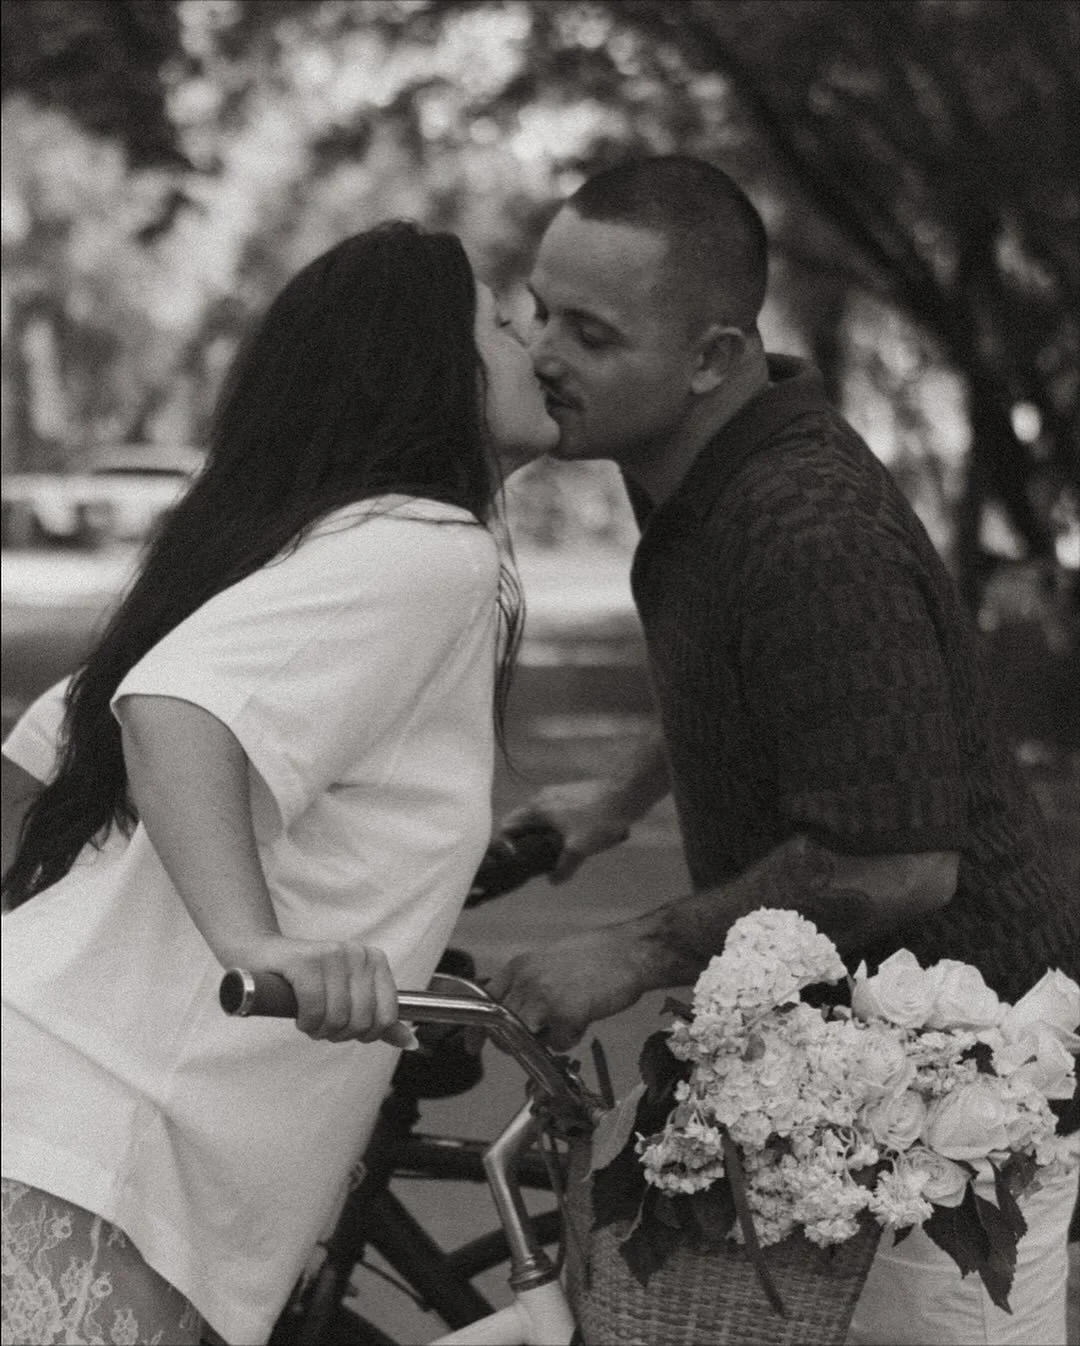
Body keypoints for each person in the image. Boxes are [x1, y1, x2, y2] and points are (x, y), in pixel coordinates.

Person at [486, 156, 1079, 1345]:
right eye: (539, 311)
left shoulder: (803, 525)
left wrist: (634, 946)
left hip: (956, 1119)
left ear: (711, 357)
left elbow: (901, 863)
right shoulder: (704, 472)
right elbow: (779, 673)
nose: (545, 353)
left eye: (592, 333)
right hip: (845, 1096)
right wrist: (627, 785)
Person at [1, 220, 558, 1346]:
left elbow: (52, 747)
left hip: (63, 1113)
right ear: (428, 371)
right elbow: (172, 712)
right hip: (100, 1152)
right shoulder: (433, 549)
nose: (533, 343)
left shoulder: (300, 539)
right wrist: (258, 944)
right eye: (503, 322)